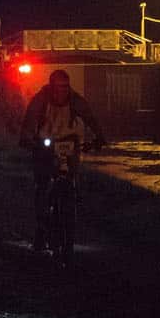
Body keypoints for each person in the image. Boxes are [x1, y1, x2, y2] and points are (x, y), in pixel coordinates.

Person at [17, 69, 106, 254]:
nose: (61, 92)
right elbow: (30, 119)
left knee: (71, 180)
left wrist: (99, 137)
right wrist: (27, 138)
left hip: (70, 143)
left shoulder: (75, 100)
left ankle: (71, 209)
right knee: (42, 185)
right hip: (45, 144)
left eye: (65, 87)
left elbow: (89, 117)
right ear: (51, 87)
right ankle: (42, 226)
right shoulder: (40, 99)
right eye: (58, 87)